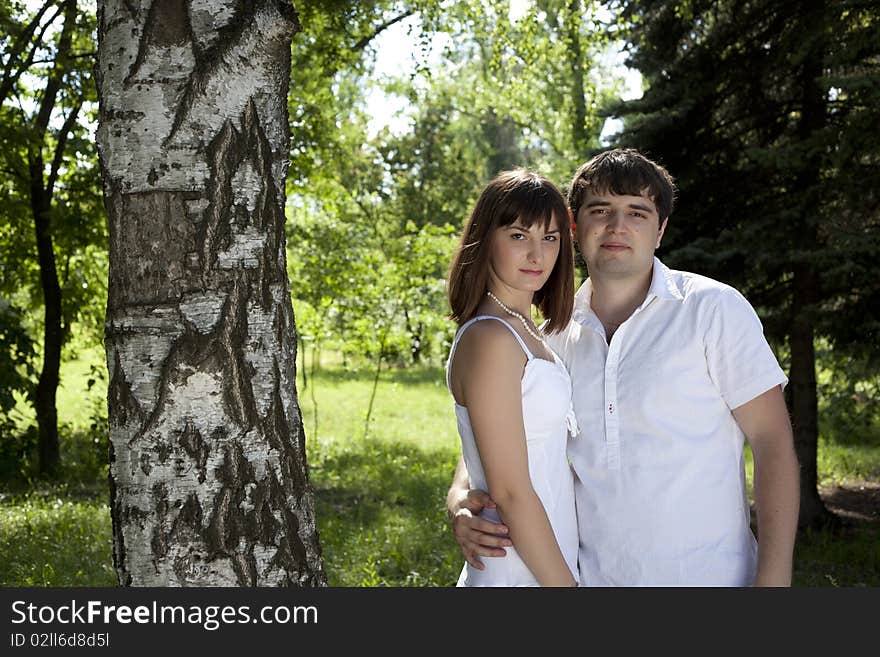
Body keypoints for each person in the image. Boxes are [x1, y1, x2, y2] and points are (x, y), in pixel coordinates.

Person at [446, 149, 800, 586]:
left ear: (661, 229)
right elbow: (499, 433)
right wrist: (462, 497)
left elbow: (773, 442)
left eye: (637, 212)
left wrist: (775, 578)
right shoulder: (548, 335)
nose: (617, 227)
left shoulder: (712, 310)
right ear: (575, 226)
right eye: (601, 211)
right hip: (590, 580)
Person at [445, 168, 580, 586]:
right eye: (519, 236)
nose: (537, 255)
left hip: (544, 554)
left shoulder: (523, 329)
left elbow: (493, 442)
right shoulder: (491, 338)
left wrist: (457, 495)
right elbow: (509, 492)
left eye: (550, 238)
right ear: (486, 239)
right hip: (519, 566)